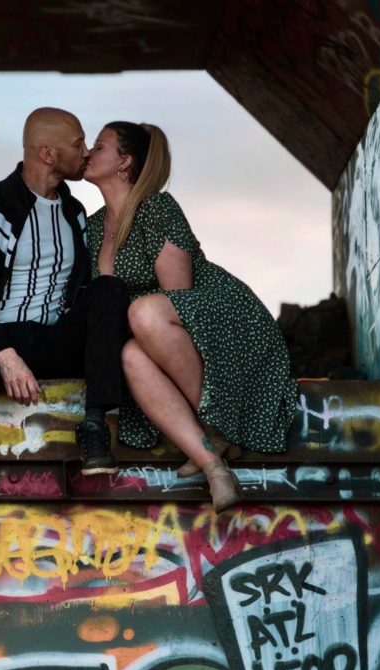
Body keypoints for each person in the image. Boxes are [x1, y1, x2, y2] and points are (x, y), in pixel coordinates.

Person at [0, 108, 129, 590]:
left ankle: (95, 427)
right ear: (46, 153)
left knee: (109, 293)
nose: (86, 151)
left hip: (55, 337)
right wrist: (4, 351)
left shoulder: (77, 213)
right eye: (78, 143)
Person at [82, 121, 298, 512]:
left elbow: (180, 300)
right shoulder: (93, 227)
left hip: (218, 318)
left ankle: (220, 423)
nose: (88, 153)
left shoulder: (156, 207)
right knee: (129, 356)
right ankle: (214, 467)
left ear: (124, 162)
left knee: (144, 312)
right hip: (150, 332)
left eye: (99, 147)